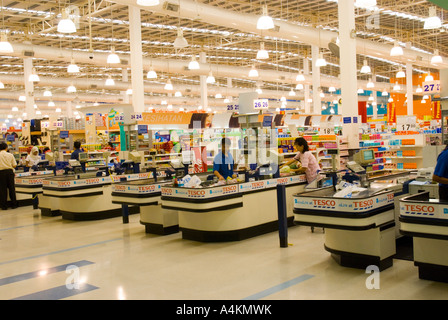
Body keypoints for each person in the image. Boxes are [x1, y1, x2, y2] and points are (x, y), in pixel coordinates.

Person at [0, 142, 18, 210]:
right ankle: (14, 204)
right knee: (11, 189)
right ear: (6, 148)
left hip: (1, 173)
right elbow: (14, 165)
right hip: (9, 172)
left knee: (2, 190)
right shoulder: (10, 155)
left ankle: (4, 206)